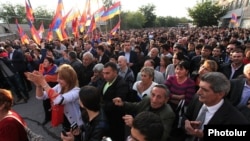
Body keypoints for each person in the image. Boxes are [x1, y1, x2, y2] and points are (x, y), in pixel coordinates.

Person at [183, 72, 249, 141]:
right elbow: (186, 116)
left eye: (204, 90)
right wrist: (187, 124)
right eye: (199, 87)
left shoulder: (236, 119)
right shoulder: (197, 99)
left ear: (220, 94)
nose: (198, 92)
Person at [25, 64, 83, 134]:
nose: (57, 80)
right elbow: (41, 96)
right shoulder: (59, 86)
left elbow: (59, 100)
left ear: (69, 79)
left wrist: (43, 82)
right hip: (64, 120)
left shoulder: (76, 91)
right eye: (58, 78)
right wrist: (39, 85)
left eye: (60, 79)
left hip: (75, 123)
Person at [100, 62, 130, 141]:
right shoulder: (106, 81)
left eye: (107, 73)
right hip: (106, 118)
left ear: (115, 72)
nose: (105, 76)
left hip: (115, 120)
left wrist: (100, 105)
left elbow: (116, 104)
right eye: (103, 73)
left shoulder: (122, 84)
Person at [38, 56, 58, 125]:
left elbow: (56, 79)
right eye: (44, 61)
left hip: (54, 88)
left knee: (56, 103)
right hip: (46, 88)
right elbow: (40, 75)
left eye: (46, 61)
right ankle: (47, 118)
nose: (44, 63)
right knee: (45, 103)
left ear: (51, 63)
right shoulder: (42, 67)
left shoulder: (55, 68)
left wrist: (46, 77)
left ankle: (58, 117)